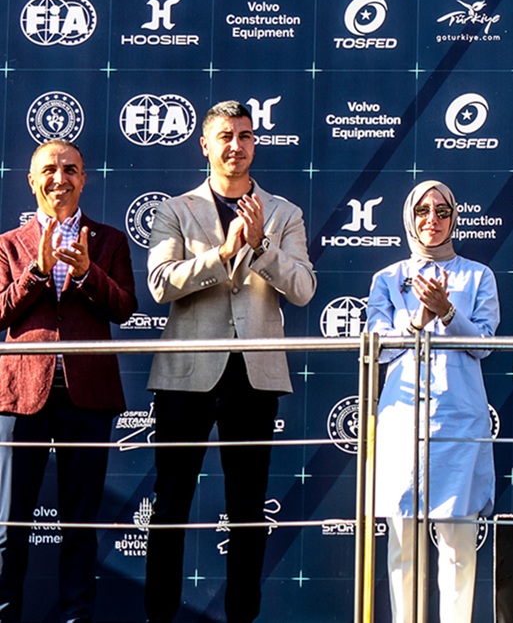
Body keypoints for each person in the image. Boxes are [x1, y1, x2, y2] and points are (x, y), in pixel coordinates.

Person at [144, 101, 316, 623]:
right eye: (225, 136)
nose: (235, 146)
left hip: (254, 377)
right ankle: (159, 617)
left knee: (248, 510)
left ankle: (243, 618)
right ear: (205, 145)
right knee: (170, 506)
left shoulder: (283, 213)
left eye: (244, 135)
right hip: (185, 376)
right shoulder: (175, 210)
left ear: (254, 144)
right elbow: (160, 284)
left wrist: (260, 245)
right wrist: (221, 255)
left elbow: (303, 289)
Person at [0, 140, 136, 623]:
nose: (60, 179)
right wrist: (37, 273)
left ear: (84, 179)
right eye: (49, 170)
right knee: (8, 524)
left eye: (71, 170)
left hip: (89, 397)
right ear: (31, 181)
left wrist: (86, 273)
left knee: (80, 525)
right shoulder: (8, 244)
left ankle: (77, 618)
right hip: (21, 397)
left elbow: (124, 308)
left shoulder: (109, 241)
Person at [367, 180, 498, 623]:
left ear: (454, 218)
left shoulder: (478, 276)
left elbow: (484, 345)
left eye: (442, 211)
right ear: (410, 216)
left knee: (458, 545)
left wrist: (447, 312)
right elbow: (378, 350)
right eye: (423, 210)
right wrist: (417, 321)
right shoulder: (387, 278)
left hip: (458, 420)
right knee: (402, 542)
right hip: (403, 421)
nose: (432, 220)